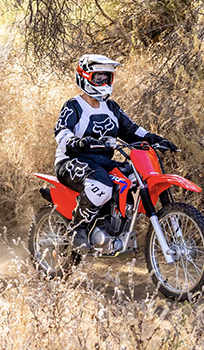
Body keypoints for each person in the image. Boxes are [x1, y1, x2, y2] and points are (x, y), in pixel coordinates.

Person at [54, 54, 178, 250]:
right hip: (72, 161)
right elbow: (61, 132)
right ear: (85, 77)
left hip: (102, 161)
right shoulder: (74, 106)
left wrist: (155, 139)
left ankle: (109, 225)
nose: (103, 82)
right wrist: (76, 143)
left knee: (134, 178)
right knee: (101, 184)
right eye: (98, 77)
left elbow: (131, 130)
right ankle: (77, 228)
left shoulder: (111, 107)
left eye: (107, 77)